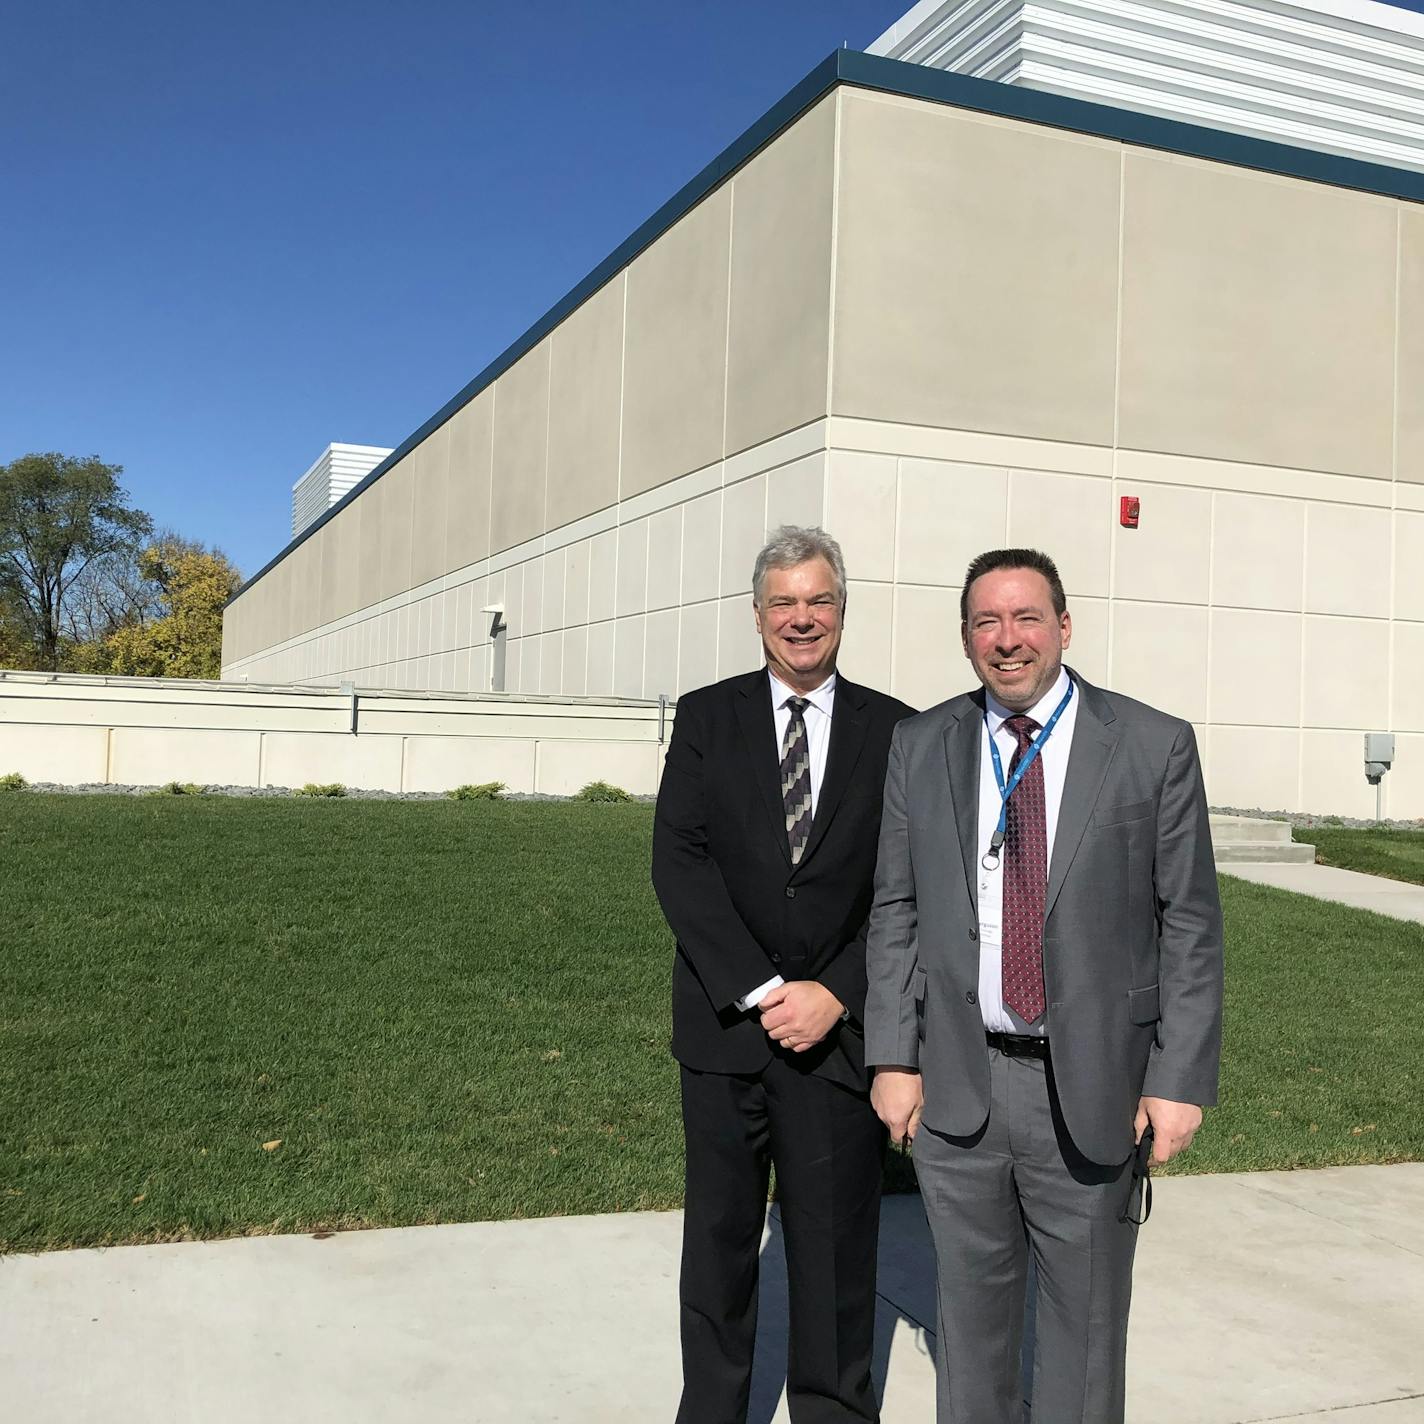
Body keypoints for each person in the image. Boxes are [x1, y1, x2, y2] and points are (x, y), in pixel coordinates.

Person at [865, 547, 1223, 1424]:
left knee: (1086, 1336)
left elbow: (1190, 925)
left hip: (1094, 1087)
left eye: (1027, 617)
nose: (1007, 638)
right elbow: (895, 911)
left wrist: (1176, 1081)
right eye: (986, 621)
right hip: (959, 1086)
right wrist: (891, 1058)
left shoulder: (1150, 743)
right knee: (970, 1333)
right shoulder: (922, 744)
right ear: (965, 638)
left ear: (1065, 627)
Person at [652, 526, 915, 1424]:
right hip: (727, 1035)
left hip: (837, 1041)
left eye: (820, 601)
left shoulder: (899, 731)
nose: (802, 620)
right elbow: (680, 866)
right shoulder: (706, 716)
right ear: (756, 615)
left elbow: (905, 887)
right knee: (721, 1249)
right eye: (784, 603)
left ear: (843, 609)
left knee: (836, 1256)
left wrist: (838, 990)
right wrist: (763, 991)